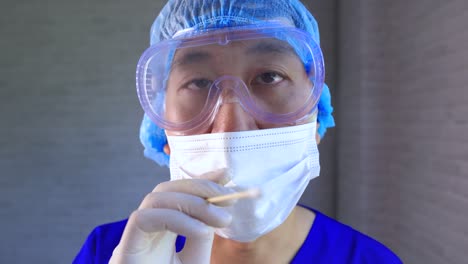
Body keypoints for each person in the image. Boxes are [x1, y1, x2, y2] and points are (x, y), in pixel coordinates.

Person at [74, 0, 402, 263]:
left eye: (269, 77)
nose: (232, 129)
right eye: (199, 83)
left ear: (315, 120)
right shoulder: (110, 253)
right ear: (163, 133)